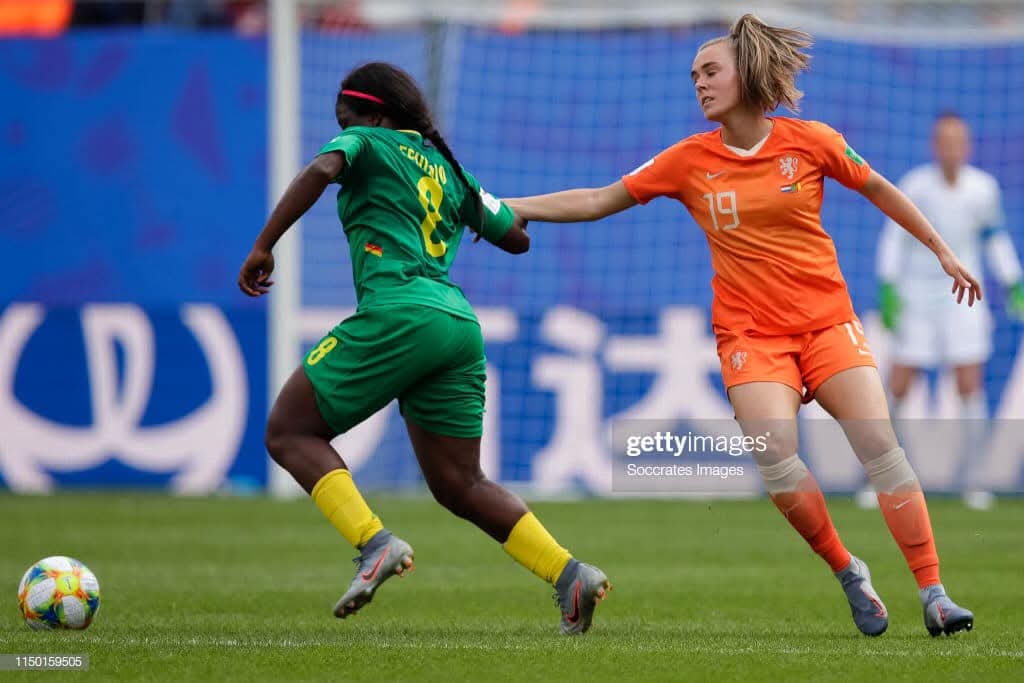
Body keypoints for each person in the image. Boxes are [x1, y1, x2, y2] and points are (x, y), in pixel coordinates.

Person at [506, 14, 976, 637]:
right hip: (751, 338)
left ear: (746, 74)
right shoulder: (688, 161)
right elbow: (598, 199)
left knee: (880, 449)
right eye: (693, 75)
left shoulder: (812, 141)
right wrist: (507, 207)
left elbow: (881, 190)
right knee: (777, 458)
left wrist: (940, 248)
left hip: (827, 323)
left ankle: (934, 594)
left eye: (710, 71)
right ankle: (846, 570)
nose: (698, 84)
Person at [238, 62, 609, 635]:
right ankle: (570, 576)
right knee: (461, 484)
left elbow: (320, 167)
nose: (340, 128)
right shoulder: (447, 168)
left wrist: (264, 245)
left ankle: (374, 544)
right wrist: (482, 205)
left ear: (377, 116)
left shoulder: (367, 141)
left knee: (289, 432)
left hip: (399, 311)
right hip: (456, 325)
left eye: (347, 118)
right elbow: (517, 239)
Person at [875, 111, 1024, 509]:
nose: (951, 148)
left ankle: (975, 480)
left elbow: (995, 239)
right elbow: (894, 238)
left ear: (967, 146)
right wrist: (889, 286)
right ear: (934, 145)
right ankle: (885, 477)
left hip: (964, 296)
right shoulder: (915, 187)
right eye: (944, 140)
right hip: (917, 297)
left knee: (969, 384)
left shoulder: (983, 189)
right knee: (900, 384)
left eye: (958, 140)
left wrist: (1013, 281)